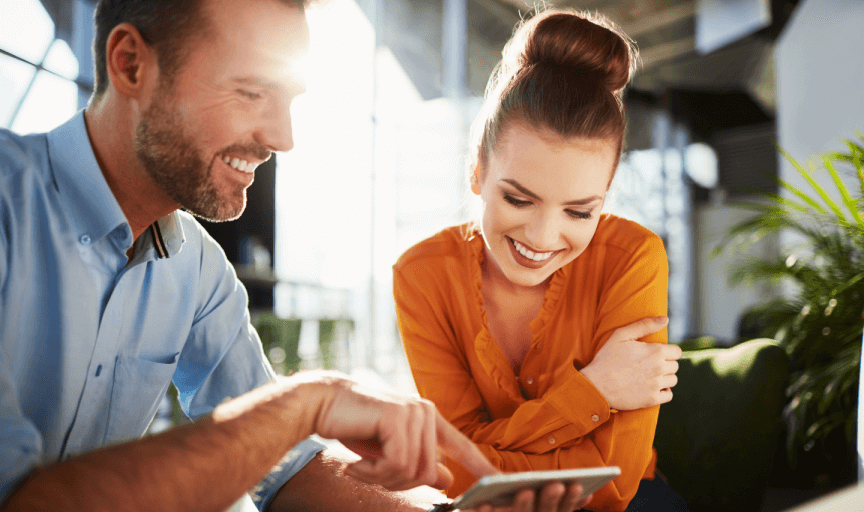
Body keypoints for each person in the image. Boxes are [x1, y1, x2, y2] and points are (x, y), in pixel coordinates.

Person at [0, 0, 593, 511]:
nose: (282, 138)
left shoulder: (196, 269)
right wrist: (306, 402)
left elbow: (285, 467)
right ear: (131, 64)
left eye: (288, 99)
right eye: (251, 92)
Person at [393, 8, 687, 512]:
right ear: (477, 171)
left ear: (605, 196)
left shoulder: (632, 258)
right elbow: (452, 465)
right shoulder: (421, 275)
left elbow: (613, 485)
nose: (543, 238)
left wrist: (482, 454)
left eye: (579, 211)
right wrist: (592, 392)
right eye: (518, 199)